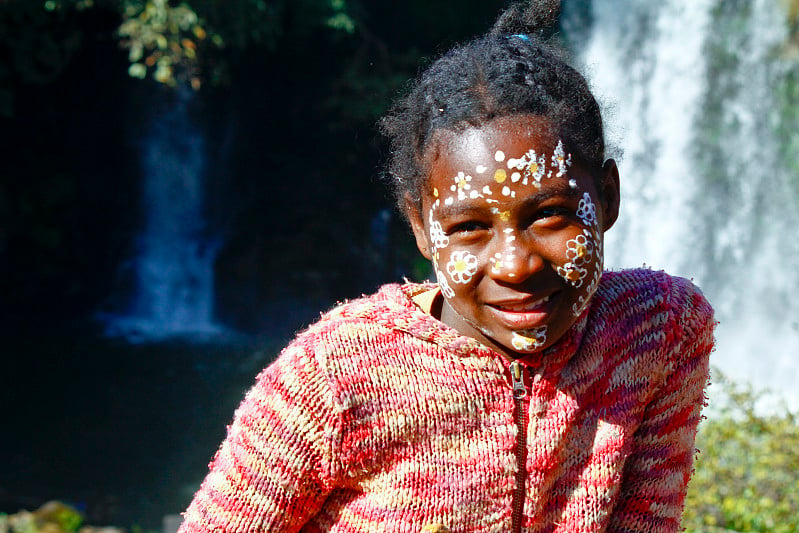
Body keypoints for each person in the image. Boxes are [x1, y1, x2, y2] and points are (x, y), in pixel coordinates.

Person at [178, 1, 715, 531]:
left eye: (550, 215)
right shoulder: (333, 377)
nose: (515, 265)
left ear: (608, 198)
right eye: (469, 228)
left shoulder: (660, 330)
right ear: (421, 228)